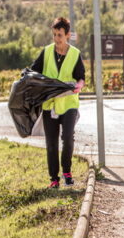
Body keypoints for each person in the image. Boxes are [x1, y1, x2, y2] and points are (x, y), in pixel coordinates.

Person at [30, 16, 85, 188]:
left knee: (68, 138)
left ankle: (67, 172)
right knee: (51, 143)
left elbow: (81, 77)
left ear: (68, 35)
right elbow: (34, 72)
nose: (56, 39)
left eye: (60, 35)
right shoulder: (46, 52)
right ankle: (54, 179)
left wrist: (79, 86)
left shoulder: (75, 54)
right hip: (50, 105)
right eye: (54, 35)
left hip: (69, 103)